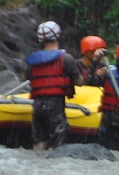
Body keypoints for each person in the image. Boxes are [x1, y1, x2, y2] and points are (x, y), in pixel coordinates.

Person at [24, 20, 83, 151]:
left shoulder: (34, 61)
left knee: (39, 141)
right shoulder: (65, 58)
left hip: (37, 106)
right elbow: (79, 81)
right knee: (58, 143)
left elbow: (26, 77)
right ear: (58, 36)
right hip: (55, 106)